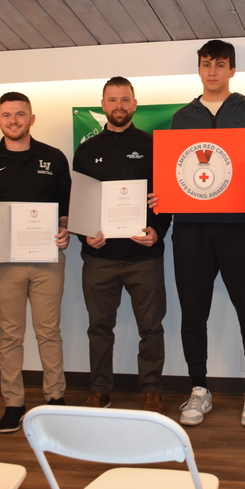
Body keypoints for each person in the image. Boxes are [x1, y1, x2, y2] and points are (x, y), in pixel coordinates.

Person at [170, 40, 245, 427]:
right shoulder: (182, 117)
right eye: (206, 64)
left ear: (232, 70)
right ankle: (198, 389)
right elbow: (175, 170)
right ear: (198, 69)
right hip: (191, 230)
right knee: (193, 313)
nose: (212, 71)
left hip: (240, 229)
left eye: (220, 64)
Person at [0, 92, 72, 433]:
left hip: (47, 260)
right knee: (10, 334)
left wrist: (64, 231)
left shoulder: (54, 158)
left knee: (49, 332)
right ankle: (13, 403)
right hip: (4, 265)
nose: (13, 120)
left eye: (20, 114)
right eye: (6, 115)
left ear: (32, 118)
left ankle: (55, 398)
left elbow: (67, 211)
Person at [72, 77, 172, 413]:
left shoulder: (152, 146)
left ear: (135, 104)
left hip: (144, 255)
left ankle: (153, 388)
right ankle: (100, 389)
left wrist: (157, 231)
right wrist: (85, 232)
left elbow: (164, 200)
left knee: (151, 327)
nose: (119, 106)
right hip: (99, 257)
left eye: (125, 99)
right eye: (112, 100)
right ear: (103, 106)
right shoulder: (86, 151)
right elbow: (78, 202)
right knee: (99, 328)